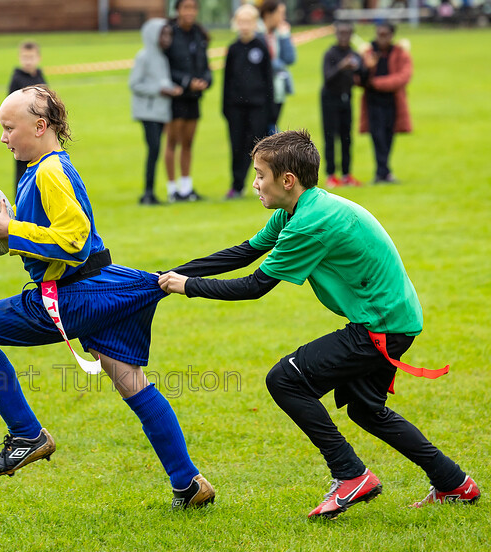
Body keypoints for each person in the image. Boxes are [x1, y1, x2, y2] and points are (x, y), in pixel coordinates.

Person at [158, 130, 480, 519]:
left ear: (287, 180)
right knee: (366, 410)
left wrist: (187, 286)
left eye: (260, 175)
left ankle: (351, 475)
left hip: (380, 326)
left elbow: (255, 285)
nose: (255, 183)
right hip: (393, 320)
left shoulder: (311, 223)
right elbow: (245, 252)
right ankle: (454, 483)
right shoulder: (296, 209)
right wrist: (166, 276)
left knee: (285, 379)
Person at [0, 86, 213, 509]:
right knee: (130, 381)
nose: (3, 138)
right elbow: (52, 237)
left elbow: (72, 242)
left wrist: (10, 230)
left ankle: (26, 434)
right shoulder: (48, 166)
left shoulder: (47, 173)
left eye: (8, 128)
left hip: (70, 296)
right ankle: (188, 483)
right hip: (96, 287)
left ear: (40, 127)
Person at [129, 18, 183, 205]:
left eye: (169, 34)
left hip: (160, 112)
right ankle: (148, 193)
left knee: (156, 150)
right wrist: (160, 90)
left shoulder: (162, 56)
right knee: (153, 150)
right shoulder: (143, 56)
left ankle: (150, 192)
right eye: (163, 34)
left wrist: (170, 88)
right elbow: (135, 84)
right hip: (148, 112)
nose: (167, 38)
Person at [222, 4, 273, 200]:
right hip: (236, 107)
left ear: (255, 23)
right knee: (236, 145)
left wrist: (270, 109)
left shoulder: (260, 47)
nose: (244, 26)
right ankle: (236, 185)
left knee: (257, 148)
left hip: (258, 106)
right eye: (241, 22)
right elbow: (226, 81)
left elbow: (268, 80)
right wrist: (226, 108)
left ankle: (260, 184)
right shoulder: (233, 49)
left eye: (248, 21)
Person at [163, 0, 212, 202]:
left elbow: (205, 65)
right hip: (174, 98)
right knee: (172, 142)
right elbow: (165, 67)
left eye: (193, 8)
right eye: (186, 7)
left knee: (188, 143)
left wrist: (206, 81)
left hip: (194, 98)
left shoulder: (199, 35)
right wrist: (185, 82)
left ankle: (186, 188)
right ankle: (172, 189)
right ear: (178, 10)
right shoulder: (169, 35)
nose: (190, 12)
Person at [359, 23, 412, 184]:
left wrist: (376, 83)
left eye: (385, 34)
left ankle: (384, 171)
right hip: (373, 103)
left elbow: (403, 77)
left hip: (392, 101)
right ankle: (382, 171)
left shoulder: (399, 53)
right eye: (379, 34)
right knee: (377, 136)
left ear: (391, 35)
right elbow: (359, 78)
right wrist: (368, 70)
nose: (381, 38)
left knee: (389, 135)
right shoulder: (368, 53)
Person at [321, 21, 363, 188]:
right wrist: (341, 67)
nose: (344, 36)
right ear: (336, 34)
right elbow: (327, 77)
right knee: (330, 137)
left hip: (347, 98)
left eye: (347, 33)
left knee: (347, 137)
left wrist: (364, 66)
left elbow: (363, 73)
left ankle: (346, 174)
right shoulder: (330, 54)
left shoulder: (355, 54)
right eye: (341, 33)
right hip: (330, 99)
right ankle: (331, 175)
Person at [8, 41, 48, 193]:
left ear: (38, 58)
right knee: (24, 170)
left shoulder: (39, 75)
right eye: (25, 57)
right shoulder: (17, 79)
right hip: (24, 133)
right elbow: (11, 109)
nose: (28, 61)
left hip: (40, 132)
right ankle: (21, 202)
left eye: (31, 57)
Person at [258, 0, 296, 134]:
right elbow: (264, 63)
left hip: (278, 89)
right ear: (268, 14)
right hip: (260, 90)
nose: (283, 18)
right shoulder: (256, 33)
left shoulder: (278, 34)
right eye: (280, 13)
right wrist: (278, 64)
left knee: (272, 124)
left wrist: (285, 36)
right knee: (264, 128)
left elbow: (290, 58)